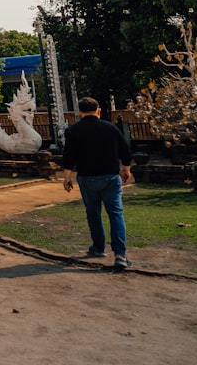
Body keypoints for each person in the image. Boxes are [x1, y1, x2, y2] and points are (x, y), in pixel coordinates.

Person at [61, 97, 132, 269]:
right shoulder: (110, 128)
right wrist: (126, 169)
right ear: (98, 110)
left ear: (80, 112)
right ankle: (120, 254)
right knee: (116, 214)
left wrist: (67, 177)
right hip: (110, 177)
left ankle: (99, 247)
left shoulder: (73, 131)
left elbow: (69, 156)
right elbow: (125, 150)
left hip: (87, 178)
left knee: (93, 213)